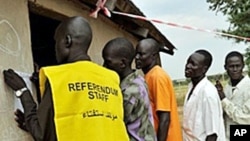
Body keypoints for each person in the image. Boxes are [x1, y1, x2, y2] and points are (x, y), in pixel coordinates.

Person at [3, 16, 129, 141]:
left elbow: (41, 134)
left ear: (67, 41)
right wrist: (30, 124)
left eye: (56, 42)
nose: (55, 48)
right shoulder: (112, 78)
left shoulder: (57, 77)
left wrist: (23, 91)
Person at [102, 37, 156, 141]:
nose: (104, 66)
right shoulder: (138, 79)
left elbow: (117, 122)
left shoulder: (129, 91)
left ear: (122, 63)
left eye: (108, 62)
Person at [135, 38, 182, 141]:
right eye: (136, 54)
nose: (137, 57)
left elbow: (164, 118)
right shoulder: (148, 76)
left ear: (153, 56)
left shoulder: (157, 76)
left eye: (141, 54)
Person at [182, 49, 225, 141]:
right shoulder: (191, 87)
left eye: (193, 64)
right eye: (188, 62)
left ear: (204, 69)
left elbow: (212, 134)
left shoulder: (208, 92)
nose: (188, 66)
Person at [215, 51, 250, 141]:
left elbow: (245, 117)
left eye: (237, 66)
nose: (235, 69)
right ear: (225, 67)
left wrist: (223, 99)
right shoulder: (227, 88)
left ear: (243, 66)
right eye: (231, 66)